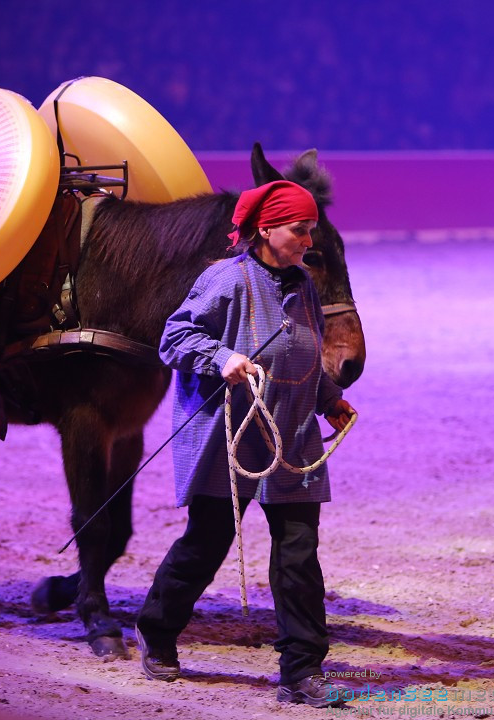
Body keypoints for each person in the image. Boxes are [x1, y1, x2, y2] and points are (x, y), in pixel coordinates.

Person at [136, 180, 356, 708]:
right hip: (227, 433)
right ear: (265, 229)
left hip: (291, 433)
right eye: (299, 230)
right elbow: (175, 337)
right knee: (207, 541)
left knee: (299, 553)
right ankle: (157, 630)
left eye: (310, 230)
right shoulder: (225, 280)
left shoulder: (302, 283)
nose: (308, 240)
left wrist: (328, 397)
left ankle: (301, 670)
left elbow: (303, 350)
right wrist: (222, 357)